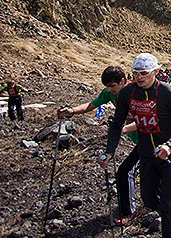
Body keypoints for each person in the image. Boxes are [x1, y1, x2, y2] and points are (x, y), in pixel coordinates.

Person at [100, 53, 171, 238]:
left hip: (169, 153)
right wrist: (109, 151)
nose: (139, 77)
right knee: (149, 199)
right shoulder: (127, 93)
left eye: (144, 73)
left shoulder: (170, 93)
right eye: (136, 73)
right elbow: (117, 124)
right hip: (145, 151)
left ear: (156, 72)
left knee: (168, 198)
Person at [58, 66, 139, 224]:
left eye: (112, 86)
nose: (109, 90)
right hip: (135, 135)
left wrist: (123, 128)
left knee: (125, 171)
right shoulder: (109, 93)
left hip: (148, 136)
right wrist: (72, 111)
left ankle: (129, 212)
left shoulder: (136, 93)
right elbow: (92, 105)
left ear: (123, 81)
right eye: (107, 87)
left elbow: (147, 119)